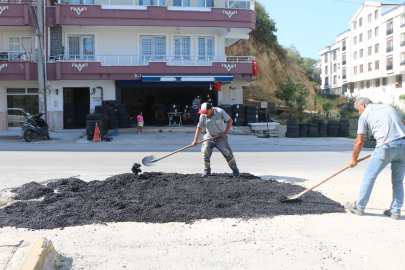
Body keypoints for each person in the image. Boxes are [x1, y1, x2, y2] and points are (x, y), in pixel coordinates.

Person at [345, 97, 405, 220]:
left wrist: (353, 159)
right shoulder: (389, 108)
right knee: (398, 180)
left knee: (369, 176)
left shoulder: (365, 114)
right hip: (403, 146)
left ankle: (359, 207)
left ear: (363, 105)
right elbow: (403, 124)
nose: (359, 113)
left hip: (386, 146)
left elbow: (359, 141)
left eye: (358, 109)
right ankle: (395, 211)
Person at [191, 102, 240, 178]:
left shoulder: (220, 112)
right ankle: (207, 171)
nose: (204, 113)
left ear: (211, 109)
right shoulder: (203, 115)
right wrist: (195, 140)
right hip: (209, 136)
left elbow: (230, 121)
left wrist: (225, 132)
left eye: (206, 112)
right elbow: (199, 127)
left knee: (227, 153)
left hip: (221, 136)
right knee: (205, 152)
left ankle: (236, 171)